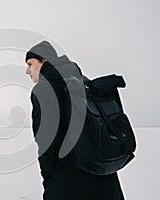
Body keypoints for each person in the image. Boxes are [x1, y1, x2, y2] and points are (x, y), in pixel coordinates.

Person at [25, 40, 125, 200]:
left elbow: (47, 142)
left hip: (67, 179)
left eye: (30, 64)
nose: (27, 71)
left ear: (44, 60)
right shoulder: (82, 82)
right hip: (103, 174)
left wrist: (49, 180)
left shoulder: (44, 90)